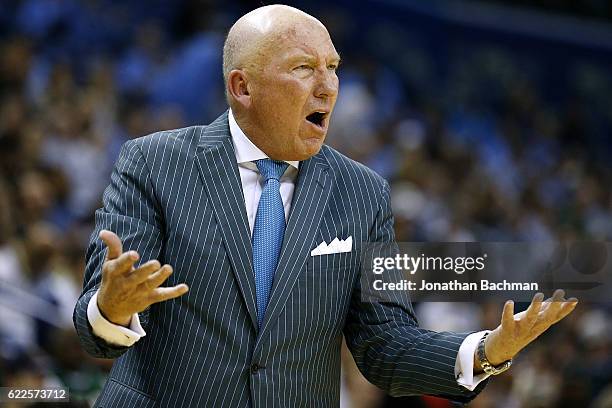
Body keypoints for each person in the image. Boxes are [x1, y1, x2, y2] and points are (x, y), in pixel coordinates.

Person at [73, 5, 578, 407]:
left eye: (333, 68)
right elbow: (93, 326)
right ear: (242, 87)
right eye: (304, 68)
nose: (329, 86)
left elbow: (387, 346)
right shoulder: (154, 162)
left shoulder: (363, 193)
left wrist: (486, 352)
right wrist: (111, 307)